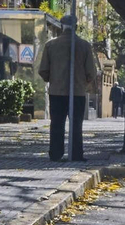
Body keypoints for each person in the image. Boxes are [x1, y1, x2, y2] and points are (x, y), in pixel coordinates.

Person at [35, 27, 100, 162]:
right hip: (77, 92)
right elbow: (91, 72)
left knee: (57, 123)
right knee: (76, 124)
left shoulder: (51, 45)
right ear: (76, 27)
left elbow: (43, 70)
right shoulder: (84, 45)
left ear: (62, 26)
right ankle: (76, 154)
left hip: (57, 92)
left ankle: (55, 154)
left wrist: (53, 79)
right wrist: (83, 83)